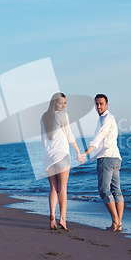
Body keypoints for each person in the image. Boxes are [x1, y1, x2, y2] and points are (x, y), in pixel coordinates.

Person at [78, 94, 123, 232]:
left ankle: (116, 222)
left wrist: (84, 154)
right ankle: (118, 224)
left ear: (107, 104)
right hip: (115, 157)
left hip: (107, 158)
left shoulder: (107, 120)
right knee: (116, 191)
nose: (98, 106)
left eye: (101, 104)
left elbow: (97, 140)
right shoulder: (105, 118)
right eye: (96, 104)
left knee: (104, 191)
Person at [41, 92, 81, 231]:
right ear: (54, 103)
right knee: (62, 188)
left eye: (65, 103)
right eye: (61, 103)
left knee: (53, 188)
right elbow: (69, 136)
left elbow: (43, 140)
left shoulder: (44, 117)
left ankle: (52, 217)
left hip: (48, 157)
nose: (64, 106)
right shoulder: (63, 116)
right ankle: (62, 219)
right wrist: (78, 152)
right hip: (62, 155)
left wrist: (49, 150)